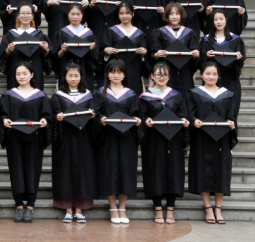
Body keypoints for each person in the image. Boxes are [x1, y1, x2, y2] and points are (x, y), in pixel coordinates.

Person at [0, 62, 52, 223]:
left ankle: (30, 206)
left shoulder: (40, 96)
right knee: (16, 170)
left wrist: (45, 120)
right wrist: (4, 120)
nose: (21, 76)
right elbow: (1, 114)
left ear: (32, 75)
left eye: (25, 73)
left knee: (33, 169)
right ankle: (19, 206)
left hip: (34, 138)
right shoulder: (9, 95)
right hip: (15, 138)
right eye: (18, 74)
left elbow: (48, 116)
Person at [186, 61, 236, 225]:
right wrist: (194, 121)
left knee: (222, 171)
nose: (211, 77)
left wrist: (230, 122)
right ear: (201, 75)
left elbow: (231, 115)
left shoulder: (227, 94)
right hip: (201, 138)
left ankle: (218, 209)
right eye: (207, 73)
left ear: (219, 76)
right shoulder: (194, 93)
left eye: (214, 74)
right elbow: (190, 114)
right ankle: (208, 208)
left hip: (221, 138)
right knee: (203, 170)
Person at [140, 62, 189, 225]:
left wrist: (184, 120)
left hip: (173, 139)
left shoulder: (176, 95)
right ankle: (157, 209)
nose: (161, 78)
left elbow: (183, 114)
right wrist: (147, 120)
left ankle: (170, 210)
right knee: (154, 171)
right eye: (158, 75)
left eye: (165, 75)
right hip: (153, 140)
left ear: (169, 77)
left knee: (173, 171)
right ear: (152, 76)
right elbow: (142, 115)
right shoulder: (145, 97)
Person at [95, 59, 142, 224]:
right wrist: (100, 119)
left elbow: (137, 114)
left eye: (119, 72)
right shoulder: (100, 93)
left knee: (126, 171)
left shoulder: (131, 94)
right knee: (108, 170)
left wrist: (137, 120)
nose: (116, 75)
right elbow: (96, 113)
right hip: (107, 138)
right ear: (107, 74)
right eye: (112, 72)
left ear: (124, 74)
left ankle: (122, 207)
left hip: (126, 139)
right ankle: (112, 208)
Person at [51, 62, 98, 224]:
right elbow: (52, 116)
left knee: (84, 172)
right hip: (65, 139)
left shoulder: (88, 96)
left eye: (76, 75)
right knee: (65, 171)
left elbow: (96, 117)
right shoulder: (58, 96)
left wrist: (93, 117)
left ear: (81, 77)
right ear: (64, 77)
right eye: (70, 75)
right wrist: (57, 118)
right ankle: (67, 210)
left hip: (84, 138)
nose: (73, 78)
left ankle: (79, 210)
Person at [86, 0, 126, 88]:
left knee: (113, 57)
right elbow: (86, 16)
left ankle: (113, 88)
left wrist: (120, 7)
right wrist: (90, 6)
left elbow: (125, 14)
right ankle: (101, 88)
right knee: (99, 57)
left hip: (113, 29)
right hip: (97, 28)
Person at [201, 10, 246, 116]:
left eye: (221, 19)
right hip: (212, 81)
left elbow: (240, 62)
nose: (218, 22)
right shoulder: (206, 40)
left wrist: (239, 58)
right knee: (211, 113)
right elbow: (200, 61)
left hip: (230, 79)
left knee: (231, 113)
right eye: (215, 19)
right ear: (212, 22)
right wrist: (206, 56)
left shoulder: (236, 39)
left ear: (226, 20)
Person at [149, 2, 201, 93]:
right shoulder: (159, 33)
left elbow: (194, 59)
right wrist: (156, 55)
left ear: (181, 15)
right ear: (166, 15)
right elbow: (151, 55)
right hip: (166, 72)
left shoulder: (190, 33)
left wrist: (196, 55)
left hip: (185, 72)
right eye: (171, 14)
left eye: (177, 13)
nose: (174, 16)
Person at [0, 3, 50, 91]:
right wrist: (8, 51)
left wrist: (46, 50)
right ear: (18, 15)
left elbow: (46, 59)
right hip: (16, 72)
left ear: (33, 15)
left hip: (35, 72)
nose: (25, 16)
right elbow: (2, 58)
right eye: (22, 13)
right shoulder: (10, 35)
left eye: (28, 13)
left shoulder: (40, 36)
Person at [100, 2, 147, 95]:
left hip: (134, 70)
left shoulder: (139, 33)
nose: (124, 16)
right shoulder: (111, 31)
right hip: (115, 71)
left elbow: (143, 59)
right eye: (121, 13)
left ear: (133, 14)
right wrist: (105, 51)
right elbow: (102, 52)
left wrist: (143, 54)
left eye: (127, 13)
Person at [52, 4, 97, 92]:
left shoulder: (89, 33)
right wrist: (62, 50)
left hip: (84, 68)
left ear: (82, 15)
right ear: (68, 14)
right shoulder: (62, 32)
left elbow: (95, 58)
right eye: (72, 14)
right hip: (67, 68)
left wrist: (92, 49)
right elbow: (57, 57)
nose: (75, 17)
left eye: (78, 14)